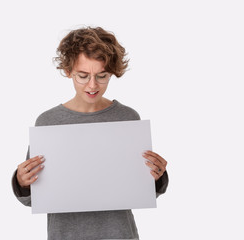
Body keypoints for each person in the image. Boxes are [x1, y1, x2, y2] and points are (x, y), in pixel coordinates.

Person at [12, 26, 169, 240]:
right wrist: (21, 181)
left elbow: (144, 192)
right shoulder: (47, 122)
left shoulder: (127, 118)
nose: (93, 85)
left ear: (112, 72)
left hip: (120, 234)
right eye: (83, 76)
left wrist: (157, 177)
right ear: (68, 71)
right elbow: (32, 199)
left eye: (102, 76)